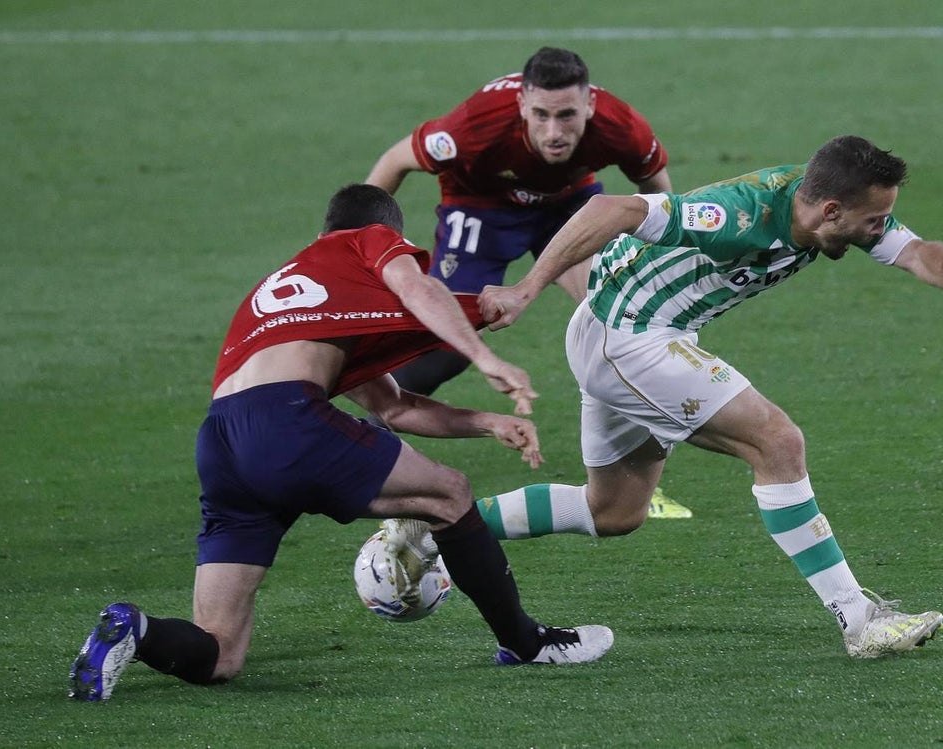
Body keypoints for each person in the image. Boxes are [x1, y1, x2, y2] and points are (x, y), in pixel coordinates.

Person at [67, 184, 614, 702]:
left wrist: (486, 422)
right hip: (285, 422)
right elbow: (420, 289)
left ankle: (135, 630)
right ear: (382, 232)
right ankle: (526, 643)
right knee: (449, 495)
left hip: (221, 442)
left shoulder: (285, 292)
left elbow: (393, 406)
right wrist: (484, 357)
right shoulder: (368, 239)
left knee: (220, 653)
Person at [470, 135, 943, 657]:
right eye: (872, 220)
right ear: (832, 210)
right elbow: (610, 210)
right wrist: (526, 289)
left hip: (623, 332)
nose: (879, 229)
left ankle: (442, 525)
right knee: (777, 443)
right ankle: (859, 618)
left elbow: (914, 250)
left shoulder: (825, 202)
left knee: (613, 510)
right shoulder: (735, 215)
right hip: (631, 338)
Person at [366, 46, 691, 520]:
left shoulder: (622, 127)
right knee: (446, 344)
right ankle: (362, 429)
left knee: (621, 324)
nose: (554, 132)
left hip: (568, 206)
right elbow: (395, 162)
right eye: (540, 115)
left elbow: (659, 196)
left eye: (567, 116)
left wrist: (650, 274)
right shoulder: (474, 126)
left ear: (590, 106)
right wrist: (354, 244)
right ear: (522, 105)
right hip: (479, 205)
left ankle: (630, 486)